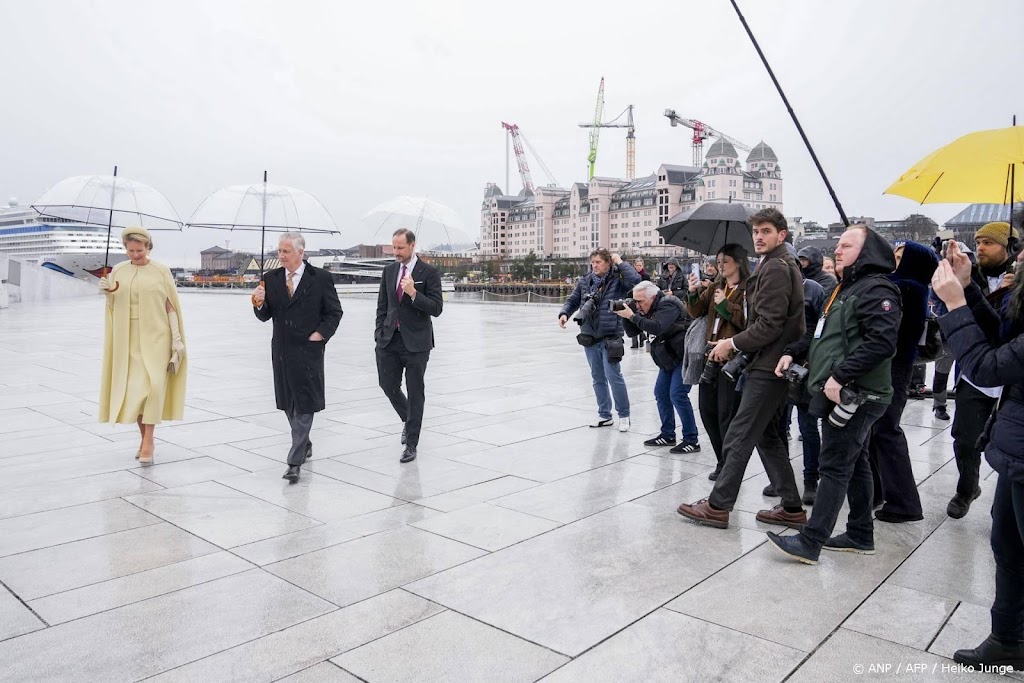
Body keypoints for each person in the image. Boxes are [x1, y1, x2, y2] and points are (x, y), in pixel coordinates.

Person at [766, 225, 901, 564]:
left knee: (835, 465)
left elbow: (882, 342)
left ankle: (811, 541)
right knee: (855, 465)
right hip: (842, 390)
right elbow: (820, 334)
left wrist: (840, 375)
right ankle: (860, 533)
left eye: (846, 245)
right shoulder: (846, 287)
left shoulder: (876, 289)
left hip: (859, 393)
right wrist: (795, 351)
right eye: (837, 245)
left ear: (867, 251)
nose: (837, 251)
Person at [676, 208, 806, 529]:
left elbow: (768, 325)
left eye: (766, 231)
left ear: (781, 235)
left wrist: (731, 344)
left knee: (739, 432)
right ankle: (791, 507)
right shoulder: (776, 264)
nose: (759, 237)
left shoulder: (776, 267)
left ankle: (719, 505)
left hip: (767, 364)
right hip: (771, 362)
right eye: (756, 232)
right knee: (767, 435)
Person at [932, 257, 1024, 671]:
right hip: (1016, 446)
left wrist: (954, 307)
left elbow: (988, 367)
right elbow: (1005, 341)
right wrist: (968, 289)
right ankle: (1008, 640)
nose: (1019, 256)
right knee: (1007, 545)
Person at [253, 232, 343, 482]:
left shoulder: (321, 279)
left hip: (308, 351)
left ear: (300, 253)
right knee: (289, 403)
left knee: (304, 403)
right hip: (282, 351)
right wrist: (259, 303)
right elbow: (264, 315)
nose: (280, 256)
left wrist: (320, 334)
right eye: (279, 251)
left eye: (285, 251)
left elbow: (334, 312)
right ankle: (304, 443)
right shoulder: (270, 279)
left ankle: (294, 461)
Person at [98, 227, 187, 466]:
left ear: (148, 247)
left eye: (139, 250)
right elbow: (114, 305)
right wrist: (107, 293)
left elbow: (171, 307)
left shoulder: (161, 270)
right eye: (130, 250)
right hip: (129, 338)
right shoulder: (118, 270)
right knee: (136, 392)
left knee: (152, 390)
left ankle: (149, 440)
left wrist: (176, 339)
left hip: (158, 336)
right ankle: (145, 438)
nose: (135, 255)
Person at [947, 223, 1018, 519]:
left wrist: (1014, 293)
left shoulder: (1019, 278)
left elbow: (1007, 331)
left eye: (988, 242)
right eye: (978, 242)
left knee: (1008, 441)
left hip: (1010, 372)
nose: (980, 248)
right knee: (964, 436)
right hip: (974, 369)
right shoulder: (970, 274)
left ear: (1008, 246)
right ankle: (967, 487)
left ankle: (1007, 497)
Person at [868, 241, 937, 523]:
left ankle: (904, 502)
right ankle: (878, 490)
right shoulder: (906, 284)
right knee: (876, 429)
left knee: (886, 430)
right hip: (891, 364)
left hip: (896, 367)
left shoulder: (909, 287)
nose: (894, 262)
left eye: (900, 257)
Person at [375, 228, 444, 463]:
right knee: (387, 384)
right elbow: (382, 306)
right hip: (388, 340)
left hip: (417, 343)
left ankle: (412, 443)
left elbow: (436, 308)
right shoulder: (389, 271)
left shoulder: (430, 272)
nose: (396, 252)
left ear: (413, 246)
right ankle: (408, 418)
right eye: (394, 247)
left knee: (415, 392)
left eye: (400, 248)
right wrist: (378, 333)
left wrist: (414, 293)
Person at [686, 243, 749, 477]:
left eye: (725, 262)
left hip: (732, 359)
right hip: (709, 357)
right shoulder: (715, 285)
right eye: (718, 262)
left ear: (739, 263)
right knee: (707, 412)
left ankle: (729, 465)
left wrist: (725, 305)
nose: (720, 266)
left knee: (726, 415)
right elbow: (695, 311)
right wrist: (692, 292)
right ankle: (721, 459)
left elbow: (746, 322)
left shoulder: (748, 289)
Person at [559, 250, 641, 431]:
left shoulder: (618, 280)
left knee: (614, 377)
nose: (595, 265)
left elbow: (636, 281)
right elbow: (573, 300)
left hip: (611, 335)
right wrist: (564, 313)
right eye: (593, 262)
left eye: (598, 262)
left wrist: (620, 261)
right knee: (597, 378)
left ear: (608, 263)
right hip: (589, 336)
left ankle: (624, 415)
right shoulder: (585, 281)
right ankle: (604, 414)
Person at [619, 281, 699, 451]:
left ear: (653, 297)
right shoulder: (647, 308)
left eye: (640, 301)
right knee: (661, 393)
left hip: (684, 356)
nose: (637, 305)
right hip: (669, 358)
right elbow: (633, 332)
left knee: (677, 394)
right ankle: (668, 435)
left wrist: (632, 316)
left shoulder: (668, 304)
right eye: (635, 301)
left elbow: (657, 327)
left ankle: (692, 439)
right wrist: (625, 315)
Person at [630, 258, 651, 349]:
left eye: (640, 265)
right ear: (634, 266)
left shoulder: (645, 276)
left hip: (642, 299)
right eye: (637, 265)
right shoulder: (632, 275)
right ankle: (635, 341)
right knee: (632, 318)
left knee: (639, 318)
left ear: (642, 266)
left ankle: (641, 336)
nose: (638, 267)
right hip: (632, 298)